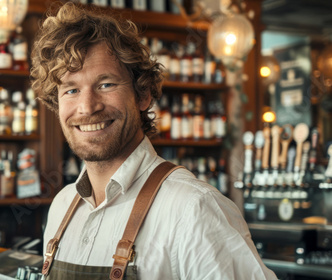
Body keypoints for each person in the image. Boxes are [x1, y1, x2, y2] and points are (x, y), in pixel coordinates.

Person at [30, 3, 277, 279]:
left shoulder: (194, 208)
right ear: (57, 103)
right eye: (71, 89)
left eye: (106, 84)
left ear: (143, 95)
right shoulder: (62, 207)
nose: (87, 107)